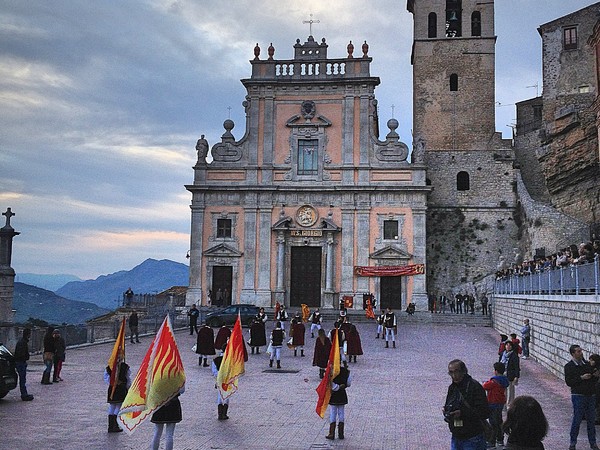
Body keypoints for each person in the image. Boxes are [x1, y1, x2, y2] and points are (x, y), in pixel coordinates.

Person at [444, 359, 489, 450]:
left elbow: (484, 412)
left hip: (472, 436)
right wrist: (447, 412)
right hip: (456, 435)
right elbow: (448, 404)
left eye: (456, 372)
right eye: (451, 373)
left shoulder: (474, 387)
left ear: (464, 371)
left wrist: (462, 413)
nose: (454, 376)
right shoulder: (452, 388)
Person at [564, 344, 600, 450]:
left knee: (591, 420)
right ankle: (573, 443)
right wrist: (581, 378)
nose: (581, 353)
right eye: (578, 351)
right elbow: (569, 381)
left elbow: (593, 378)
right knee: (577, 419)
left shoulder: (587, 364)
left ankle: (593, 443)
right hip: (578, 395)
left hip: (590, 395)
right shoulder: (569, 366)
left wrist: (594, 376)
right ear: (573, 353)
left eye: (581, 351)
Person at [482, 362, 509, 448]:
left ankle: (491, 441)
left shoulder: (494, 381)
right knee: (499, 421)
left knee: (493, 423)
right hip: (500, 403)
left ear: (496, 371)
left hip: (493, 403)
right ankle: (500, 439)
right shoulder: (504, 380)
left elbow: (485, 386)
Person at [325, 365, 351, 440]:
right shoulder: (346, 371)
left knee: (333, 413)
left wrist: (337, 387)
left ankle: (331, 433)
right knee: (341, 413)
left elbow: (332, 385)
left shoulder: (331, 371)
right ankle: (341, 433)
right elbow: (349, 383)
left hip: (334, 395)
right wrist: (342, 386)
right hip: (342, 394)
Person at [104, 362, 131, 433]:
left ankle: (110, 426)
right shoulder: (125, 367)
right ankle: (115, 425)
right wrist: (127, 387)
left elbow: (106, 378)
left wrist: (112, 384)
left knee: (112, 406)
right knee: (118, 406)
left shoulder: (109, 366)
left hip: (112, 388)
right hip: (120, 389)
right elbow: (128, 379)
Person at [13, 328, 34, 401]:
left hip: (20, 362)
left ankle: (24, 394)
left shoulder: (21, 342)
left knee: (22, 379)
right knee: (22, 379)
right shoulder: (23, 342)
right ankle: (24, 394)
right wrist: (25, 357)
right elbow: (21, 354)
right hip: (21, 362)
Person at [212, 344, 229, 419]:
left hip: (219, 379)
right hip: (227, 379)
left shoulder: (216, 359)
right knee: (227, 395)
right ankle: (224, 413)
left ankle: (220, 413)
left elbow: (214, 371)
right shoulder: (229, 360)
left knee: (219, 395)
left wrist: (218, 375)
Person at [501, 340, 520, 406]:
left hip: (510, 374)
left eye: (509, 345)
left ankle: (510, 403)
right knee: (503, 389)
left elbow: (517, 366)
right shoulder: (502, 354)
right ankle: (504, 402)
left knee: (510, 389)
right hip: (502, 373)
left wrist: (516, 376)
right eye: (507, 345)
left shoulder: (514, 355)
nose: (508, 347)